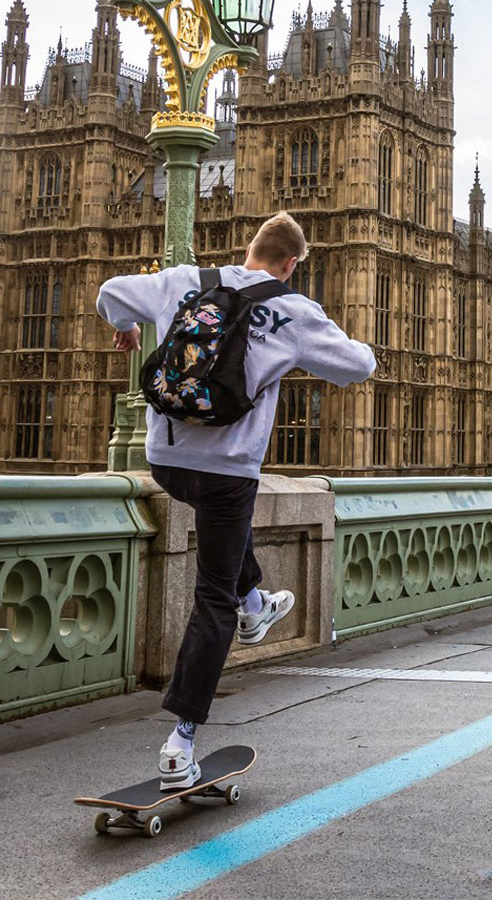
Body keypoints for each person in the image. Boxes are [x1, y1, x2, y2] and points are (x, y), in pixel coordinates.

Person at [96, 211, 375, 787]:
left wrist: (124, 328)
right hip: (229, 473)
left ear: (247, 249)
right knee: (211, 599)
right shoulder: (294, 312)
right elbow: (356, 368)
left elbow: (109, 292)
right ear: (292, 264)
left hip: (167, 463)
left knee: (227, 541)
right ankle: (181, 738)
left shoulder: (186, 282)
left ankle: (255, 602)